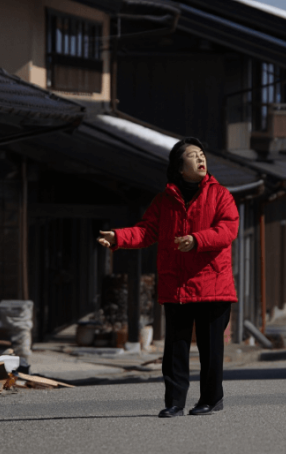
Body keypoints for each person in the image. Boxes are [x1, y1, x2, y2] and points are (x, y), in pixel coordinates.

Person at [97, 137, 239, 418]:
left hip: (213, 284)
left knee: (211, 350)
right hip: (177, 285)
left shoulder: (221, 195)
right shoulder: (164, 201)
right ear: (179, 167)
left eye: (202, 154)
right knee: (175, 350)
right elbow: (146, 231)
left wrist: (196, 240)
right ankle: (174, 402)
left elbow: (228, 230)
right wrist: (118, 237)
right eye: (193, 156)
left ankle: (211, 399)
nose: (201, 159)